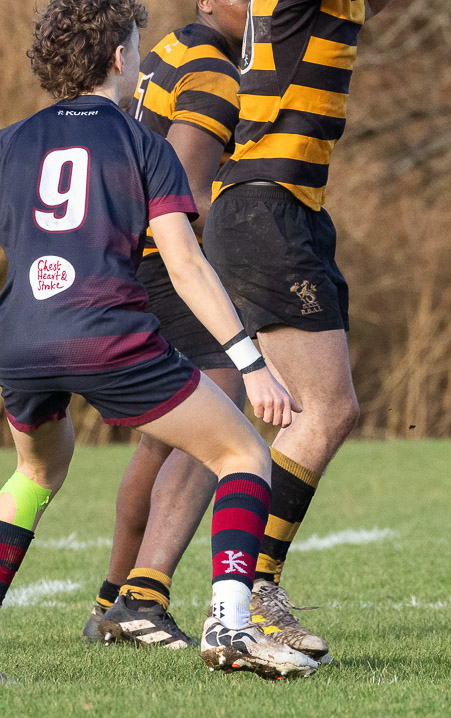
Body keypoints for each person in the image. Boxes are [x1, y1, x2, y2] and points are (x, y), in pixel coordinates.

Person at [0, 0, 314, 679]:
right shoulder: (144, 146)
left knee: (34, 474)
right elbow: (185, 263)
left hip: (20, 342)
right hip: (106, 337)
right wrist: (251, 363)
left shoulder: (11, 141)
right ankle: (231, 627)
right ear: (119, 57)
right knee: (242, 455)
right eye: (136, 45)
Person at [201, 0, 394, 663]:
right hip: (266, 208)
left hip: (293, 208)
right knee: (326, 410)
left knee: (322, 412)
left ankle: (249, 584)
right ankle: (250, 588)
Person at [82, 0, 252, 649]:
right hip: (166, 263)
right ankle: (145, 594)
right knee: (221, 412)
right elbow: (187, 192)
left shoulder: (171, 51)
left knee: (161, 436)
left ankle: (114, 596)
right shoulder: (211, 68)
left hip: (128, 258)